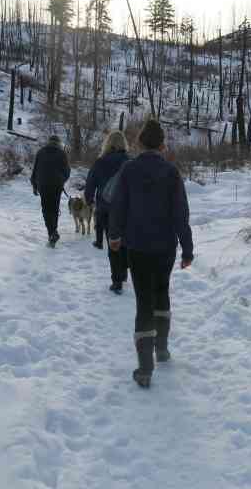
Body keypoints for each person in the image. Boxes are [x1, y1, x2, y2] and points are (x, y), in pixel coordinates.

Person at [108, 119, 194, 388]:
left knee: (144, 299)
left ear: (140, 143)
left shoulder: (129, 170)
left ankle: (145, 367)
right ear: (162, 144)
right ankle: (162, 348)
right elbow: (181, 213)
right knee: (162, 292)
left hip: (138, 246)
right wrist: (188, 248)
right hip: (166, 246)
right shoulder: (171, 172)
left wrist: (114, 235)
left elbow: (118, 205)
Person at [84, 130, 130, 294]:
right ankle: (123, 272)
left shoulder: (101, 162)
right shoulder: (130, 161)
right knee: (124, 242)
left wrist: (89, 200)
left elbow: (90, 183)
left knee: (113, 244)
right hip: (126, 210)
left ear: (108, 143)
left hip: (106, 208)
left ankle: (117, 281)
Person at [31, 135, 70, 246]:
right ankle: (53, 232)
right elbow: (67, 171)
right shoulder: (62, 154)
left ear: (49, 142)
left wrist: (34, 185)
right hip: (56, 186)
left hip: (43, 185)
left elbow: (35, 170)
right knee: (54, 209)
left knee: (46, 210)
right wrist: (62, 180)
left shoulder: (40, 152)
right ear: (58, 143)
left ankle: (51, 233)